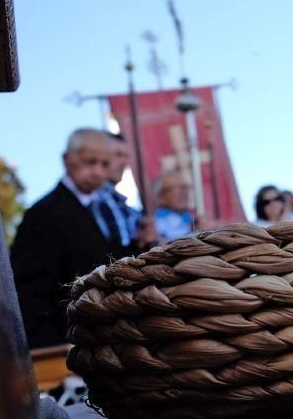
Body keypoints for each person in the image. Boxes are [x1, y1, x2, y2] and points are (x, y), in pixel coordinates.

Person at [10, 128, 140, 348]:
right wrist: (50, 344)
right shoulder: (44, 213)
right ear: (68, 159)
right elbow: (30, 289)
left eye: (105, 164)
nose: (98, 172)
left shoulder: (106, 210)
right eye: (90, 162)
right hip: (65, 341)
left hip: (107, 335)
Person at [101, 132, 156, 250]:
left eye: (126, 156)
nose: (125, 163)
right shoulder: (92, 203)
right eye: (118, 154)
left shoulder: (127, 208)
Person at [152, 170, 195, 242]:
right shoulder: (156, 225)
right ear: (160, 197)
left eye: (184, 187)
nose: (182, 192)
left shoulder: (191, 219)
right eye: (174, 188)